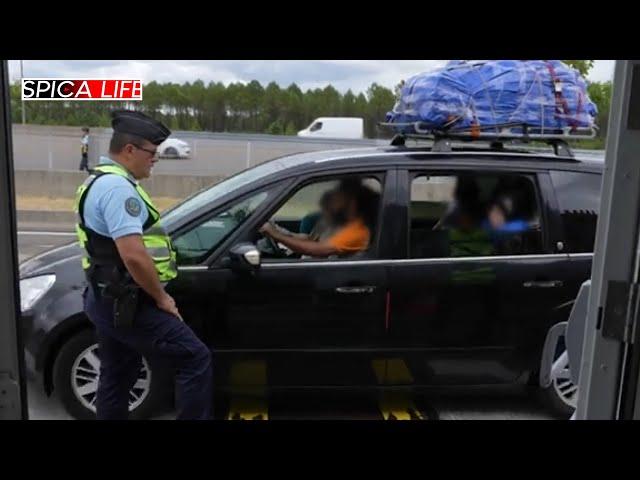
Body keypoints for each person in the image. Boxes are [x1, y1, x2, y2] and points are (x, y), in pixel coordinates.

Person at [74, 110, 212, 420]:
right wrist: (163, 299)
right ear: (129, 150)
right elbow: (134, 255)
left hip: (106, 296)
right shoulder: (117, 189)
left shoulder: (99, 180)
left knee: (118, 372)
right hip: (128, 301)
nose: (156, 159)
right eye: (152, 152)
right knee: (194, 357)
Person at [260, 178, 371, 258]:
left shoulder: (357, 231)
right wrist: (280, 231)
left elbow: (317, 250)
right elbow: (309, 239)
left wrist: (276, 235)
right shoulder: (335, 222)